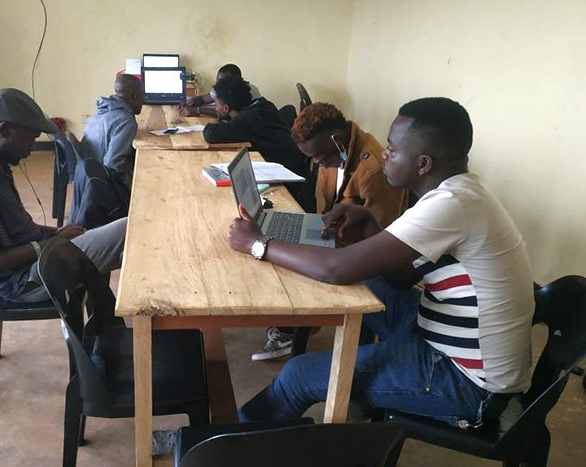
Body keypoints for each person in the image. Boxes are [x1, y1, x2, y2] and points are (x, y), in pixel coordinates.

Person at [229, 97, 534, 428]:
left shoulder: (451, 205)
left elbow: (337, 268)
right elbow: (402, 278)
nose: (384, 154)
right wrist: (370, 222)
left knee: (300, 374)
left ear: (423, 163)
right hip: (436, 329)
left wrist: (258, 244)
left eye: (392, 148)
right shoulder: (455, 194)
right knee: (368, 284)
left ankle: (227, 445)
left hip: (469, 381)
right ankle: (361, 381)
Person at [252, 103, 410, 361]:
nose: (316, 163)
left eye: (317, 156)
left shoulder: (372, 171)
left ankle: (299, 329)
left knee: (284, 259)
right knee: (281, 249)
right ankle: (296, 324)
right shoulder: (334, 153)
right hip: (335, 234)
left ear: (335, 139)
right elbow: (332, 203)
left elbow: (382, 236)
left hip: (359, 252)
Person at [0, 88, 127, 303]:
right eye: (29, 139)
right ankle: (156, 324)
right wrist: (53, 242)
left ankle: (107, 323)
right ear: (3, 131)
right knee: (127, 234)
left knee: (119, 231)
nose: (32, 147)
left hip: (41, 258)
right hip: (25, 281)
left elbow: (19, 230)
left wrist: (55, 232)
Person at [203, 76, 316, 214]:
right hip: (298, 171)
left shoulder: (247, 120)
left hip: (291, 187)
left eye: (216, 104)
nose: (215, 108)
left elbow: (210, 134)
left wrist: (217, 122)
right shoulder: (262, 104)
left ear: (226, 108)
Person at [70, 74, 144, 228]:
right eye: (142, 97)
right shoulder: (126, 121)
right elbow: (114, 164)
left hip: (89, 181)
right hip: (103, 190)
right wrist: (135, 188)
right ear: (135, 96)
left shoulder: (104, 110)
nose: (143, 102)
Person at [178, 63, 261, 117]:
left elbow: (229, 113)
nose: (217, 85)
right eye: (217, 80)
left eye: (221, 81)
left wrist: (197, 110)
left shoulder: (248, 92)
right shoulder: (222, 88)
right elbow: (203, 99)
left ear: (235, 81)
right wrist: (188, 102)